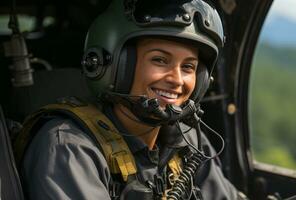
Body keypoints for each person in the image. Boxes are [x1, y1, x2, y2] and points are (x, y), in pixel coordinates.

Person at [17, 0, 247, 199]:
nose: (177, 80)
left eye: (188, 67)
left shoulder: (188, 143)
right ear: (113, 65)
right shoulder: (68, 147)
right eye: (159, 60)